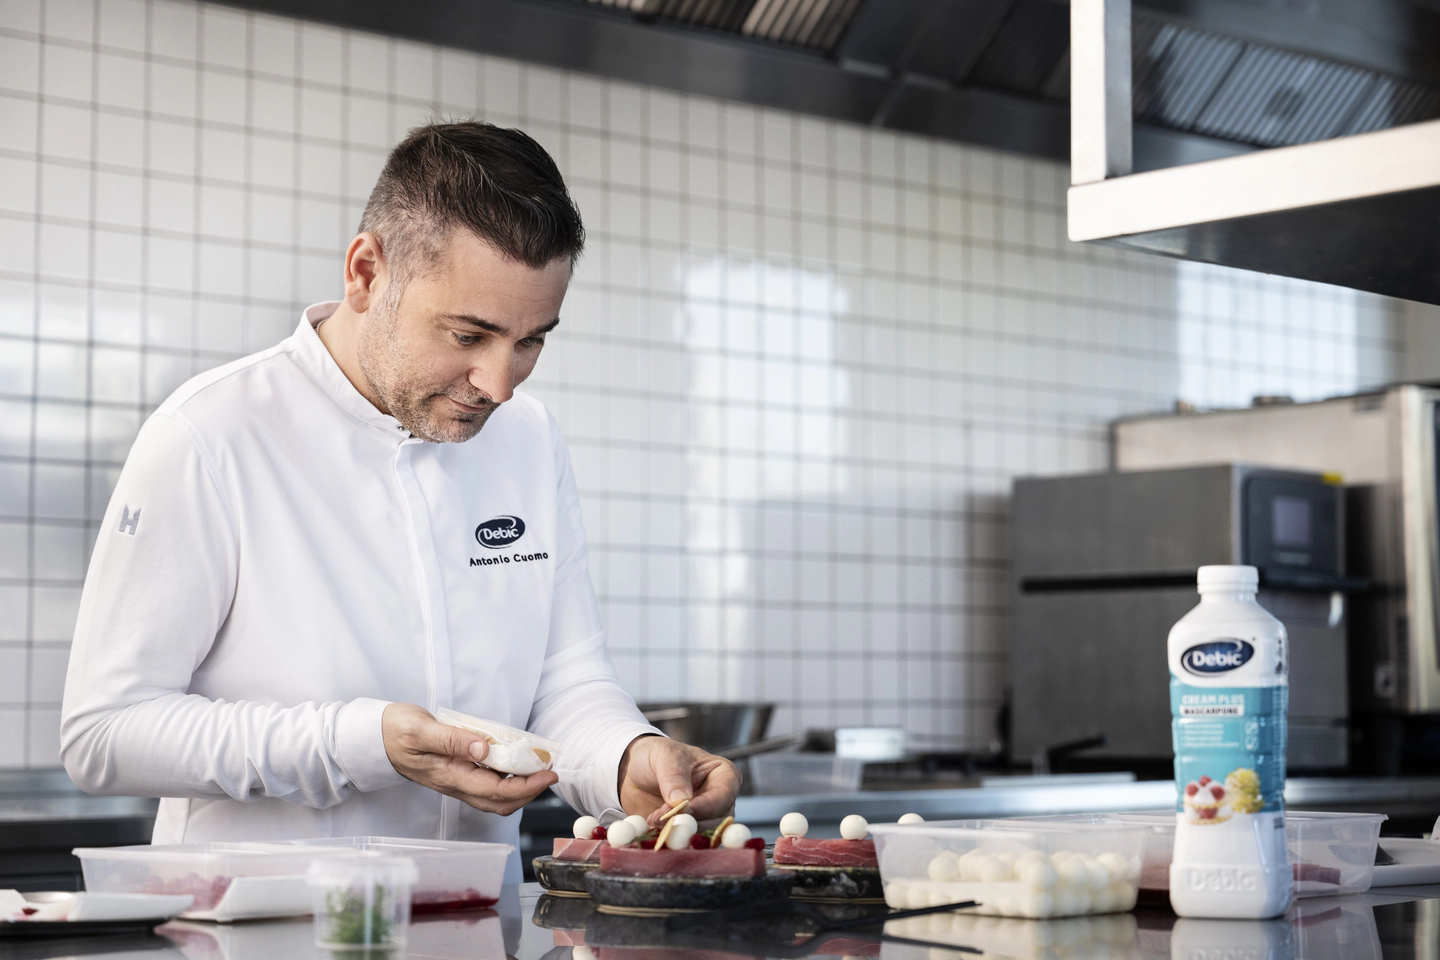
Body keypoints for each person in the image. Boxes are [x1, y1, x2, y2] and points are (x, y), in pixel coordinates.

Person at [60, 121, 739, 879]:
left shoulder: (530, 439)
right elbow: (105, 732)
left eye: (531, 341)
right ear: (365, 272)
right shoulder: (210, 435)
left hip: (476, 929)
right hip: (264, 933)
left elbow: (566, 681)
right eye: (468, 334)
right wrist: (364, 742)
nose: (500, 384)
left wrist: (626, 756)